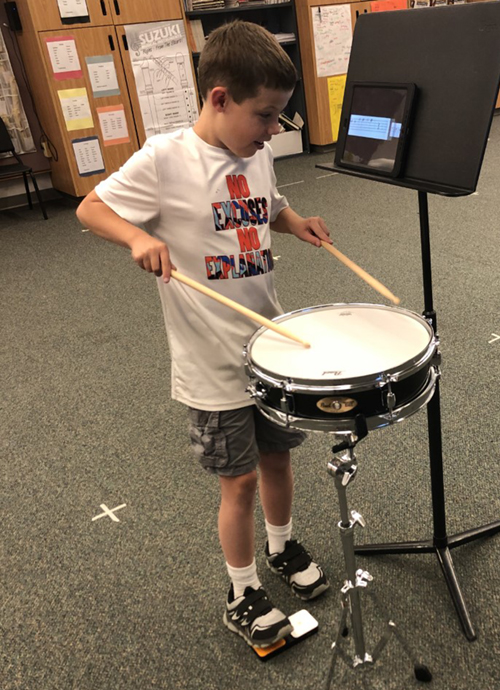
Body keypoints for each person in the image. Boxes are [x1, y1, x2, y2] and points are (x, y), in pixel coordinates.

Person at [76, 20, 331, 649]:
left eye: (279, 117)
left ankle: (280, 546)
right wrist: (138, 236)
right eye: (265, 115)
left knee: (278, 458)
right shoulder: (166, 159)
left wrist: (297, 222)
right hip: (210, 362)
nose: (274, 129)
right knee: (238, 480)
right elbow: (90, 206)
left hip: (268, 348)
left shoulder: (259, 153)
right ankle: (241, 590)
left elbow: (267, 205)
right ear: (219, 98)